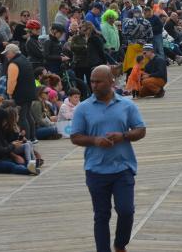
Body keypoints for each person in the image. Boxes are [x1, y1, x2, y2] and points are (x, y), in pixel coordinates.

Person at [71, 65, 146, 252]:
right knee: (101, 216)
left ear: (111, 82)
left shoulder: (127, 105)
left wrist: (124, 136)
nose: (94, 85)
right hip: (96, 170)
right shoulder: (83, 108)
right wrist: (95, 140)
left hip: (123, 168)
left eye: (98, 81)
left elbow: (141, 130)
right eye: (92, 82)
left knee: (126, 211)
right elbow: (75, 137)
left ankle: (120, 244)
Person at [0, 107, 39, 176]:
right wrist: (13, 146)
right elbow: (0, 150)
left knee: (20, 161)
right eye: (4, 120)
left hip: (1, 159)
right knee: (12, 166)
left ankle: (30, 166)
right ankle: (28, 170)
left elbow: (5, 145)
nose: (6, 122)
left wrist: (13, 145)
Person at [4, 44, 38, 141]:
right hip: (30, 92)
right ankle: (33, 137)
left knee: (22, 117)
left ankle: (26, 139)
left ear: (12, 53)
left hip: (20, 94)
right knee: (28, 114)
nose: (6, 55)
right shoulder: (25, 60)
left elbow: (12, 81)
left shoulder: (13, 64)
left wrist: (10, 93)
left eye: (7, 53)